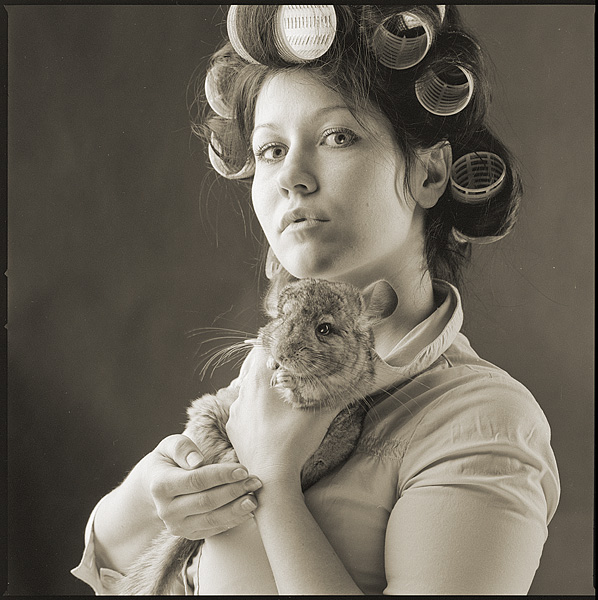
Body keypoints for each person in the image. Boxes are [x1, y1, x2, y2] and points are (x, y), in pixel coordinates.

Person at [72, 5, 560, 595]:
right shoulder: (267, 374)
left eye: (337, 137)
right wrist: (157, 494)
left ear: (430, 172)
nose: (292, 178)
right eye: (270, 150)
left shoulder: (483, 422)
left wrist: (275, 485)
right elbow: (110, 565)